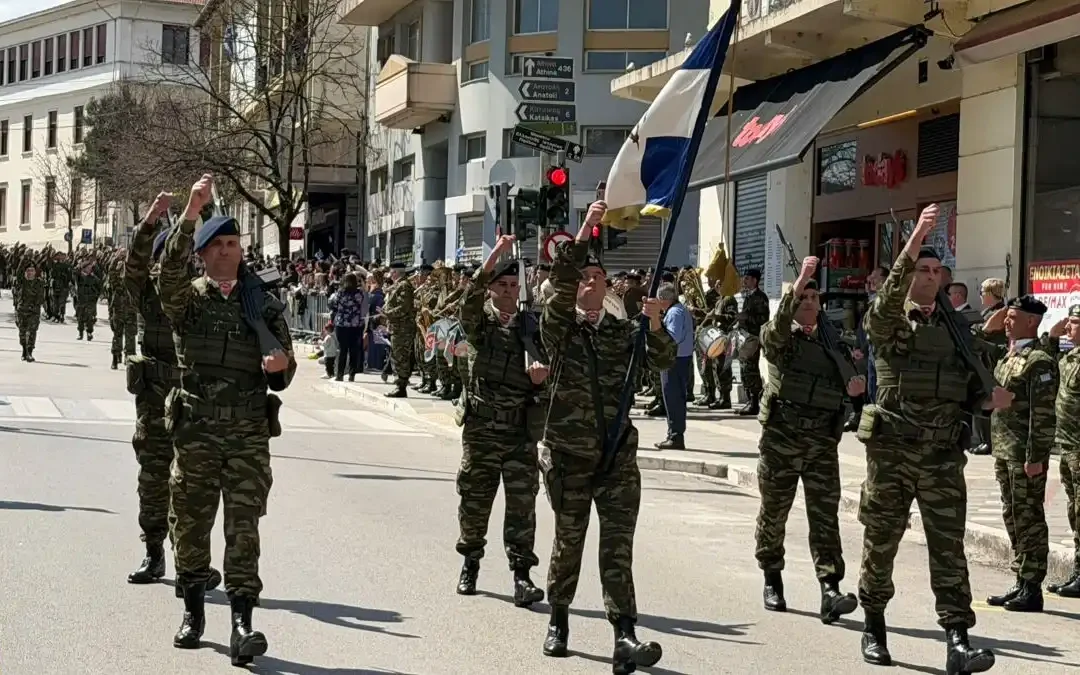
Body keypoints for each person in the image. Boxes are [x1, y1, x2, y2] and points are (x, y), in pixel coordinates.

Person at [856, 203, 1013, 673]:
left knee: (949, 548)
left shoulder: (956, 330)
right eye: (921, 268)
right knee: (881, 540)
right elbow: (885, 303)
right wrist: (916, 235)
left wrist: (988, 401)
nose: (928, 275)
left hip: (943, 455)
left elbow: (969, 392)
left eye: (935, 269)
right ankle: (874, 623)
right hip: (894, 453)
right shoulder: (888, 322)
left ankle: (957, 639)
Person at [159, 175, 296, 666]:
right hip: (196, 434)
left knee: (244, 532)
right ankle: (194, 610)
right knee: (192, 529)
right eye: (215, 245)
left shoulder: (261, 304)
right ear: (201, 253)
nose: (225, 251)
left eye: (233, 243)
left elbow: (285, 371)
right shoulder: (189, 300)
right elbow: (165, 275)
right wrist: (191, 209)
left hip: (246, 438)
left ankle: (243, 623)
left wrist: (280, 367)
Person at [538, 201, 676, 674]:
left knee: (617, 548)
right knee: (568, 543)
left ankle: (625, 634)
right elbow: (560, 281)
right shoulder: (558, 330)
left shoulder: (621, 333)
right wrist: (586, 232)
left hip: (617, 457)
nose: (589, 282)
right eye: (582, 277)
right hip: (570, 457)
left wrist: (656, 322)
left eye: (597, 276)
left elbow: (662, 359)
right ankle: (559, 620)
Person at [756, 257, 863, 623]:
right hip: (782, 437)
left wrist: (857, 389)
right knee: (774, 513)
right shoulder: (780, 337)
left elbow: (852, 389)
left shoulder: (837, 344)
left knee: (824, 518)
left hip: (821, 442)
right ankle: (772, 576)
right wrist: (799, 279)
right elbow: (773, 336)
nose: (808, 302)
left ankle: (830, 588)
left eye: (813, 297)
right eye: (801, 297)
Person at [124, 194, 223, 593]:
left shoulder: (201, 295)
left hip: (191, 398)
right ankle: (153, 550)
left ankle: (192, 565)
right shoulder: (147, 294)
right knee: (152, 477)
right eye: (168, 259)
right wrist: (149, 221)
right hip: (153, 397)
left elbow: (223, 245)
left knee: (192, 486)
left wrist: (206, 211)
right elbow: (133, 266)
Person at [454, 235, 547, 607]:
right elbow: (468, 299)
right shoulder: (479, 324)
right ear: (491, 288)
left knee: (522, 505)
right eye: (501, 285)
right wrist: (492, 257)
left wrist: (543, 376)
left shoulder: (533, 328)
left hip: (520, 431)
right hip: (481, 428)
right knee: (475, 500)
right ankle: (470, 562)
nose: (508, 292)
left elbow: (550, 375)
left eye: (513, 286)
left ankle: (522, 575)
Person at [979, 295, 1056, 612]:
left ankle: (1032, 586)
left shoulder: (1039, 361)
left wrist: (1036, 457)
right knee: (1013, 516)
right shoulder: (1009, 356)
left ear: (1032, 322)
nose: (1005, 321)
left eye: (1012, 317)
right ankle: (1020, 580)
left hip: (1025, 454)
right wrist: (992, 325)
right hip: (1005, 450)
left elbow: (1043, 415)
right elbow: (978, 345)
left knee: (1030, 518)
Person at [1047, 305, 1080, 598]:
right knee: (1074, 509)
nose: (1067, 326)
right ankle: (1078, 572)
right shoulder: (1070, 357)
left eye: (1074, 323)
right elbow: (1048, 359)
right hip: (1067, 445)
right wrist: (1053, 335)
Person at [655, 283, 694, 450]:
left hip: (674, 360)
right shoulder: (679, 310)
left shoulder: (674, 312)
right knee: (675, 398)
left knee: (673, 398)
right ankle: (675, 434)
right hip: (680, 359)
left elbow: (672, 337)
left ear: (664, 299)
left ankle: (675, 436)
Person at [737, 268, 770, 416]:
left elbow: (763, 320)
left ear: (755, 280)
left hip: (754, 338)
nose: (745, 280)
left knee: (751, 370)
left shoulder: (760, 297)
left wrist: (745, 318)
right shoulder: (748, 297)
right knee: (745, 369)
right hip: (745, 337)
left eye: (748, 278)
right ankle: (750, 400)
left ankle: (755, 402)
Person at [383, 262, 415, 397]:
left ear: (396, 272)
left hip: (403, 328)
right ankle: (399, 385)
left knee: (401, 358)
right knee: (396, 357)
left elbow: (404, 307)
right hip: (397, 327)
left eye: (391, 272)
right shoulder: (397, 285)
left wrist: (388, 313)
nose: (390, 275)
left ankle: (401, 386)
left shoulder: (404, 286)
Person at [327, 272, 367, 382]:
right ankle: (352, 374)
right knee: (354, 350)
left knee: (342, 349)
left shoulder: (340, 294)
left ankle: (340, 374)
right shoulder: (359, 294)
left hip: (342, 324)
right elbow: (363, 308)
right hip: (355, 324)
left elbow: (332, 304)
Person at [16, 264, 45, 362]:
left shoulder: (39, 283)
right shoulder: (21, 282)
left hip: (34, 311)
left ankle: (30, 352)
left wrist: (34, 305)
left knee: (32, 331)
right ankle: (24, 350)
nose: (30, 273)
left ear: (35, 272)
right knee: (22, 332)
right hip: (22, 310)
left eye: (32, 270)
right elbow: (18, 271)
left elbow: (41, 297)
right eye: (28, 270)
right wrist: (22, 259)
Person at [74, 258, 104, 341]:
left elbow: (99, 287)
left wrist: (96, 296)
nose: (89, 269)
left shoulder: (94, 278)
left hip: (91, 300)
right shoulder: (79, 276)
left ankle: (89, 332)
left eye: (90, 268)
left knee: (90, 318)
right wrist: (79, 266)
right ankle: (80, 333)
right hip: (81, 300)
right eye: (87, 267)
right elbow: (74, 273)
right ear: (84, 268)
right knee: (80, 318)